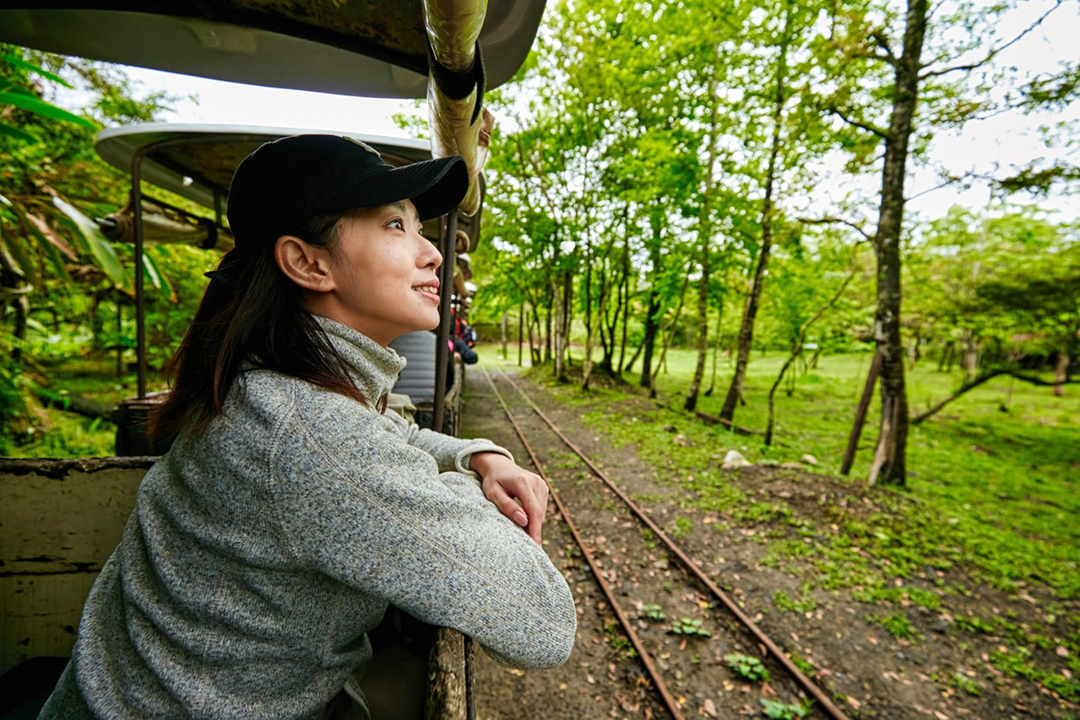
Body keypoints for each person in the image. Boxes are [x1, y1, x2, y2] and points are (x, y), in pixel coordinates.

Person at [38, 135, 576, 719]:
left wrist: (479, 456)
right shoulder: (311, 434)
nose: (433, 254)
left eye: (419, 228)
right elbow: (544, 620)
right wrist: (454, 486)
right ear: (307, 263)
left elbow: (391, 437)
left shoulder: (265, 384)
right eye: (396, 226)